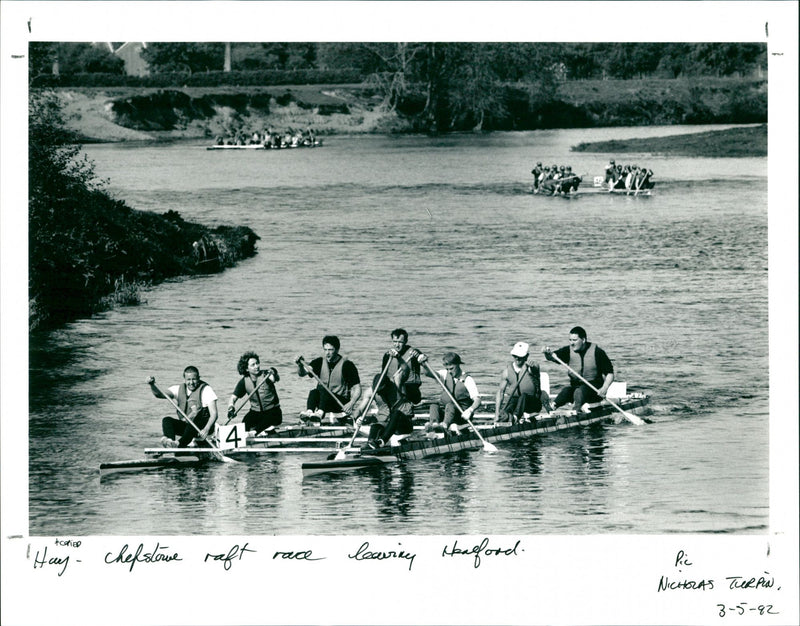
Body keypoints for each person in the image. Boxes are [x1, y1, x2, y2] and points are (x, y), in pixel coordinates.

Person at [361, 328, 422, 448]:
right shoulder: (387, 355)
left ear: (405, 341)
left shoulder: (413, 352)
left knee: (397, 411)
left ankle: (382, 441)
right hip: (392, 388)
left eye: (400, 342)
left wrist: (421, 357)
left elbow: (408, 368)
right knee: (377, 422)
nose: (397, 344)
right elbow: (383, 374)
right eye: (395, 341)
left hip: (410, 388)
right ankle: (370, 446)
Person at [541, 326, 615, 411]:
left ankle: (576, 411)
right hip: (576, 389)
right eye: (570, 340)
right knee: (566, 391)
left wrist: (604, 388)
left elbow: (610, 373)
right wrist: (547, 353)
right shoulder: (568, 351)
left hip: (594, 390)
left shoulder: (597, 352)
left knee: (579, 391)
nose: (572, 343)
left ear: (583, 340)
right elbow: (552, 357)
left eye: (575, 340)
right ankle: (552, 407)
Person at [148, 366, 219, 448]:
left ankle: (178, 444)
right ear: (184, 380)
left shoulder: (206, 390)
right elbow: (159, 394)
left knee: (194, 422)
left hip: (203, 429)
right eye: (188, 380)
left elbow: (214, 414)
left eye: (194, 379)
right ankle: (170, 442)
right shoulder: (178, 389)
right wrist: (152, 385)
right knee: (167, 420)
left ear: (199, 378)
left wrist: (206, 429)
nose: (191, 382)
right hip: (189, 429)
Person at [296, 335, 362, 422]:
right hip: (323, 402)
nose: (327, 353)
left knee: (325, 392)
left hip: (339, 403)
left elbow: (357, 388)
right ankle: (309, 412)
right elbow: (302, 373)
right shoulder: (319, 362)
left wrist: (351, 403)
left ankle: (319, 414)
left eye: (330, 350)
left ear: (337, 350)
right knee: (314, 392)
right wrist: (300, 365)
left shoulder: (347, 365)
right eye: (325, 350)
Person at [419, 352, 481, 433]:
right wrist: (424, 365)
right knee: (434, 406)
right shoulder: (445, 374)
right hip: (448, 414)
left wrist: (470, 410)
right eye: (447, 369)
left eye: (451, 368)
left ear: (458, 365)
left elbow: (478, 400)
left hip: (461, 416)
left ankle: (444, 426)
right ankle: (434, 425)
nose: (449, 371)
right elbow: (429, 373)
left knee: (450, 405)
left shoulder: (468, 380)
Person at [226, 351, 282, 436]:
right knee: (244, 424)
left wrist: (274, 372)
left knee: (265, 422)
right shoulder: (243, 382)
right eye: (253, 365)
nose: (257, 366)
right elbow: (233, 398)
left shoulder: (266, 375)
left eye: (257, 363)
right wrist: (231, 408)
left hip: (273, 412)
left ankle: (255, 432)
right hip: (256, 413)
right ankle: (248, 436)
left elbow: (275, 378)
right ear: (246, 369)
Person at [494, 342, 542, 424]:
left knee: (523, 396)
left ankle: (515, 417)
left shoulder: (531, 368)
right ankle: (504, 418)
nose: (517, 359)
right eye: (515, 356)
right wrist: (497, 413)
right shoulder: (506, 372)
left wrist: (533, 366)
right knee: (509, 406)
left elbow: (536, 367)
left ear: (526, 356)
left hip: (532, 404)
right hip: (516, 403)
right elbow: (500, 392)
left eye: (520, 356)